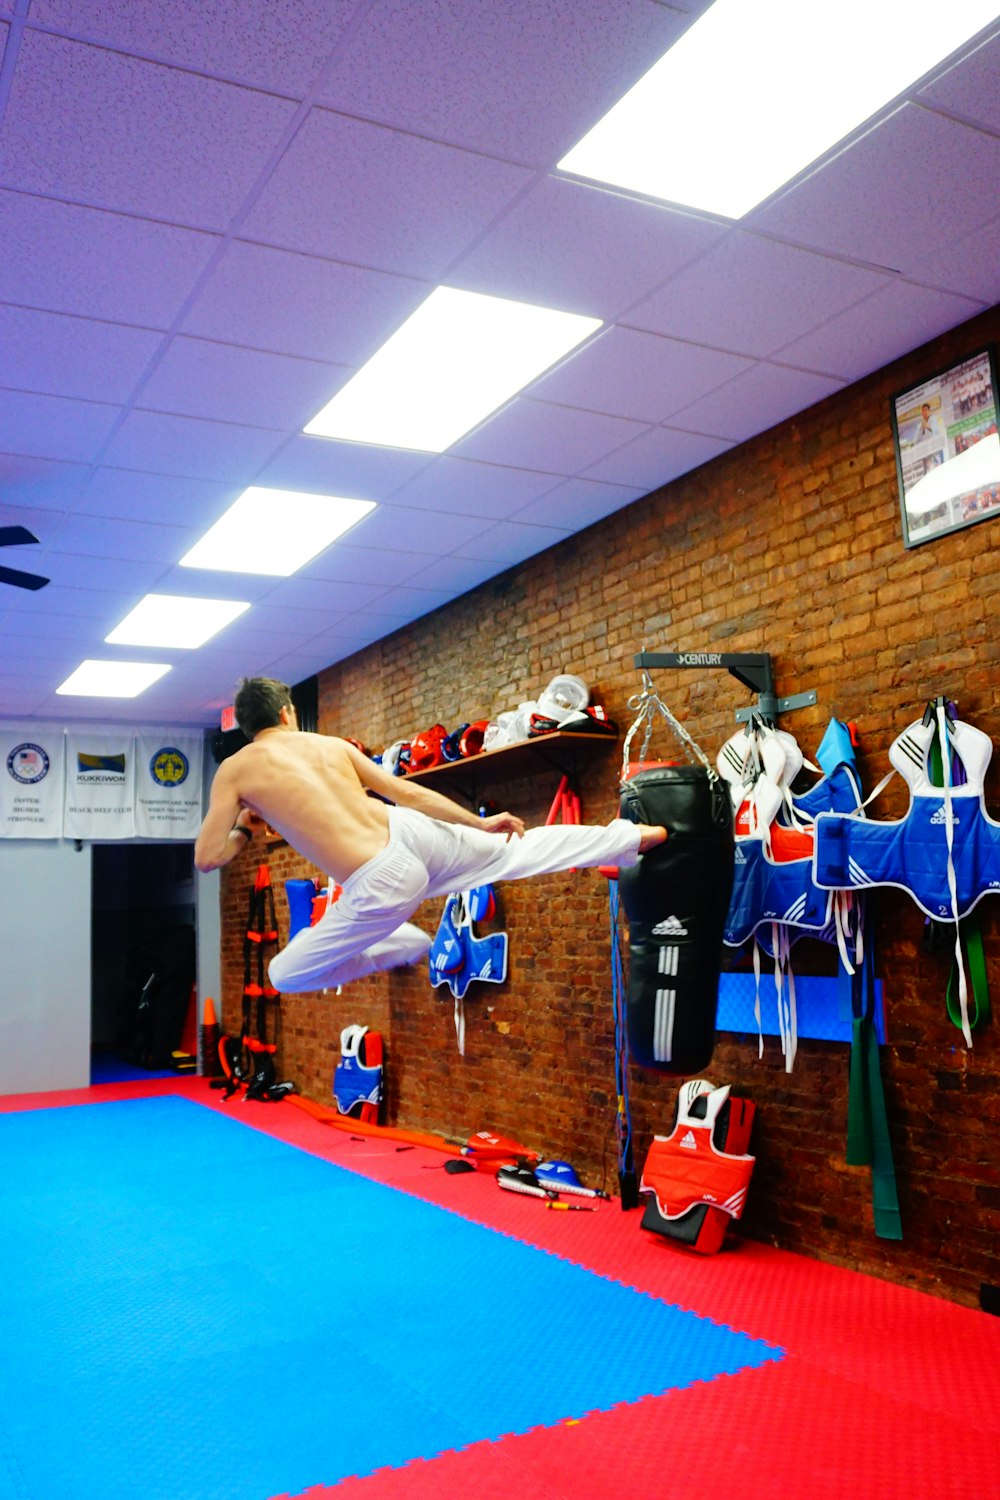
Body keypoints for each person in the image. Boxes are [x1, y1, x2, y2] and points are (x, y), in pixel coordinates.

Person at [195, 676, 666, 993]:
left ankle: (402, 946)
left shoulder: (236, 770)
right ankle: (631, 837)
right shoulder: (330, 745)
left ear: (249, 727)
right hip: (409, 832)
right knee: (517, 851)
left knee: (283, 974)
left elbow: (207, 857)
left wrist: (241, 826)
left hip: (381, 882)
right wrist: (478, 822)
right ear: (286, 714)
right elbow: (406, 792)